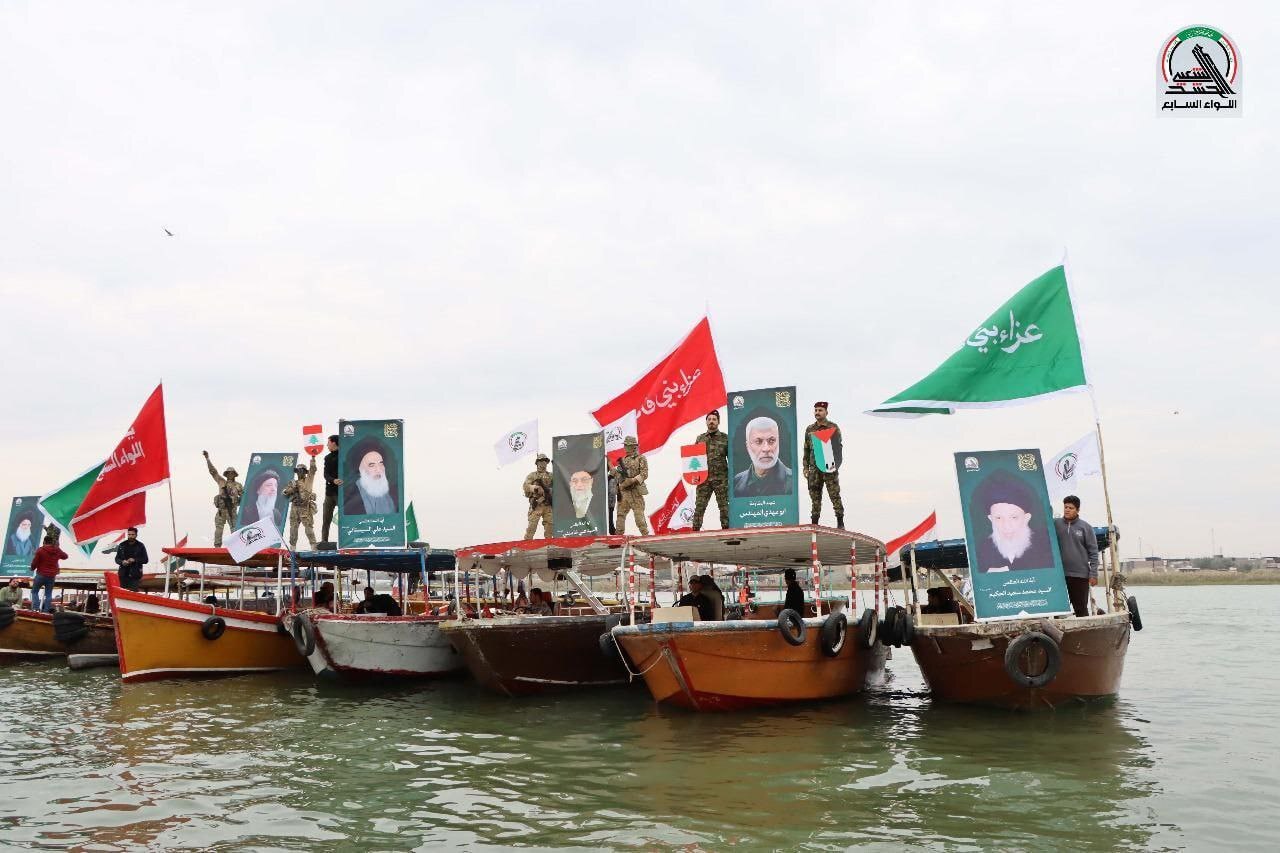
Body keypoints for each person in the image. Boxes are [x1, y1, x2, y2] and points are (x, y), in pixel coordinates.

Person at [972, 471, 1054, 572]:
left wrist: (1007, 569)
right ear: (991, 519)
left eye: (1014, 517)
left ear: (1026, 518)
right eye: (998, 518)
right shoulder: (982, 550)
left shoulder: (1044, 545)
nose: (1006, 526)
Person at [1055, 495, 1100, 617]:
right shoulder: (1055, 524)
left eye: (1071, 507)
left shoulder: (1085, 527)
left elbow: (1093, 553)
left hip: (1080, 575)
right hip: (1059, 575)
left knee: (1080, 609)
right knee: (1057, 609)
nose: (1067, 510)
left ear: (1077, 510)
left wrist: (1094, 574)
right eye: (1065, 507)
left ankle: (1085, 635)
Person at [803, 402, 845, 528]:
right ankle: (814, 524)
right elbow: (806, 449)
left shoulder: (833, 427)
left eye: (820, 410)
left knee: (834, 494)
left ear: (826, 412)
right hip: (814, 469)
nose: (817, 412)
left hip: (829, 467)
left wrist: (835, 465)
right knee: (815, 497)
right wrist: (805, 467)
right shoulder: (810, 429)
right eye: (815, 410)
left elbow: (838, 447)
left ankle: (840, 522)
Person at [732, 416, 794, 497]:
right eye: (758, 441)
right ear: (747, 446)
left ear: (778, 442)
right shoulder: (736, 482)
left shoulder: (793, 481)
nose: (766, 448)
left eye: (771, 441)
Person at [691, 410, 730, 530]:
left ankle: (727, 531)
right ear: (706, 422)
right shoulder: (700, 438)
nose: (711, 421)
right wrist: (694, 475)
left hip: (721, 479)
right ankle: (695, 532)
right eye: (709, 419)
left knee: (724, 508)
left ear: (718, 422)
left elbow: (731, 458)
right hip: (703, 479)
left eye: (714, 419)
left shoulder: (725, 438)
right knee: (699, 507)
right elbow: (693, 459)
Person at [342, 439, 398, 516]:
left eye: (381, 464)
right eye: (371, 465)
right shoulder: (350, 497)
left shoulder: (390, 493)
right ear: (361, 469)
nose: (378, 470)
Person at [203, 451, 244, 547]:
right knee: (219, 528)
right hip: (221, 510)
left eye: (232, 473)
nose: (230, 475)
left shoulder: (238, 486)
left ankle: (236, 546)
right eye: (229, 473)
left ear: (234, 474)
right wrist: (207, 459)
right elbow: (213, 472)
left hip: (232, 510)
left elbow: (244, 498)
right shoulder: (221, 481)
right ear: (226, 474)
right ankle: (217, 546)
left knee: (234, 529)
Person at [613, 436, 650, 535]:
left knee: (639, 516)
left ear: (633, 446)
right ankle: (618, 538)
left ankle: (645, 536)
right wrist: (616, 475)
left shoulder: (640, 458)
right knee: (620, 515)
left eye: (627, 445)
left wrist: (632, 480)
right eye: (625, 445)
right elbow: (619, 475)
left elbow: (644, 474)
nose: (625, 447)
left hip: (635, 491)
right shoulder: (623, 460)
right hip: (624, 492)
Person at [283, 457, 319, 548]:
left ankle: (313, 546)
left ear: (304, 472)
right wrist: (292, 489)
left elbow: (313, 470)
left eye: (301, 471)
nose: (300, 473)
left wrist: (313, 459)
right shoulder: (293, 483)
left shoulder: (308, 480)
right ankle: (292, 548)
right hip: (295, 507)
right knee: (293, 528)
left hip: (305, 507)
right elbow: (284, 492)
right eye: (298, 471)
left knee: (308, 527)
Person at [29, 535, 68, 612]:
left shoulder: (40, 550)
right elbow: (65, 556)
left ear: (44, 542)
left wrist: (32, 568)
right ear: (52, 542)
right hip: (51, 576)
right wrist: (57, 548)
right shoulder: (57, 550)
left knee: (34, 591)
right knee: (49, 594)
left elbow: (35, 562)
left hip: (41, 574)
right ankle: (46, 611)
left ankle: (36, 609)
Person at [522, 453, 553, 540]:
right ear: (537, 463)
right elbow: (525, 486)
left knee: (550, 528)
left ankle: (549, 546)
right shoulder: (532, 475)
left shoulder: (551, 476)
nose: (543, 463)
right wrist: (535, 487)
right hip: (537, 504)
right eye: (541, 461)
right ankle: (526, 546)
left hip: (548, 505)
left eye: (545, 461)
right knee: (532, 526)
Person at [321, 435, 343, 543]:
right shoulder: (327, 458)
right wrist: (333, 480)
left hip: (342, 493)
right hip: (329, 492)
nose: (327, 445)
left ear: (334, 443)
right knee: (326, 519)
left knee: (343, 518)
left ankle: (345, 540)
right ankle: (324, 542)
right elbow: (325, 474)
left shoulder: (345, 455)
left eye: (328, 442)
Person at [114, 527, 149, 591]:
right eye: (129, 534)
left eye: (132, 535)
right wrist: (122, 562)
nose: (130, 536)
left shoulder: (140, 546)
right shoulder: (122, 545)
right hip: (123, 575)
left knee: (133, 594)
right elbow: (116, 559)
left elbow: (145, 559)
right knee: (122, 593)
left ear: (136, 535)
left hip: (135, 575)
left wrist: (135, 560)